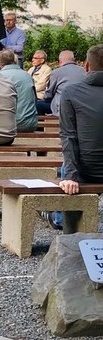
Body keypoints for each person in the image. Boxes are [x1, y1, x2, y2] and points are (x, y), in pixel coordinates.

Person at [43, 45, 103, 232]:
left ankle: (58, 217)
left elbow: (68, 136)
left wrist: (70, 176)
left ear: (86, 66)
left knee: (67, 164)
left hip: (87, 170)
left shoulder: (71, 92)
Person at [0, 49, 38, 132]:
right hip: (29, 124)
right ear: (14, 60)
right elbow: (35, 100)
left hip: (8, 126)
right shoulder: (27, 76)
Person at [36, 50, 85, 116]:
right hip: (81, 107)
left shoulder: (56, 72)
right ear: (73, 59)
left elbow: (49, 94)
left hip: (62, 109)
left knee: (38, 105)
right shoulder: (83, 71)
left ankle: (41, 126)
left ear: (60, 61)